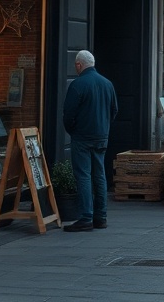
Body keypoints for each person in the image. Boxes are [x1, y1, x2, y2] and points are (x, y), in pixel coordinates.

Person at [62, 49, 118, 232]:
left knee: (83, 175)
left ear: (79, 65)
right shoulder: (107, 84)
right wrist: (104, 127)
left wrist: (73, 130)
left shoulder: (78, 84)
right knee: (99, 174)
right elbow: (114, 110)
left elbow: (68, 114)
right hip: (101, 136)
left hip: (82, 137)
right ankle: (100, 216)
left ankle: (86, 216)